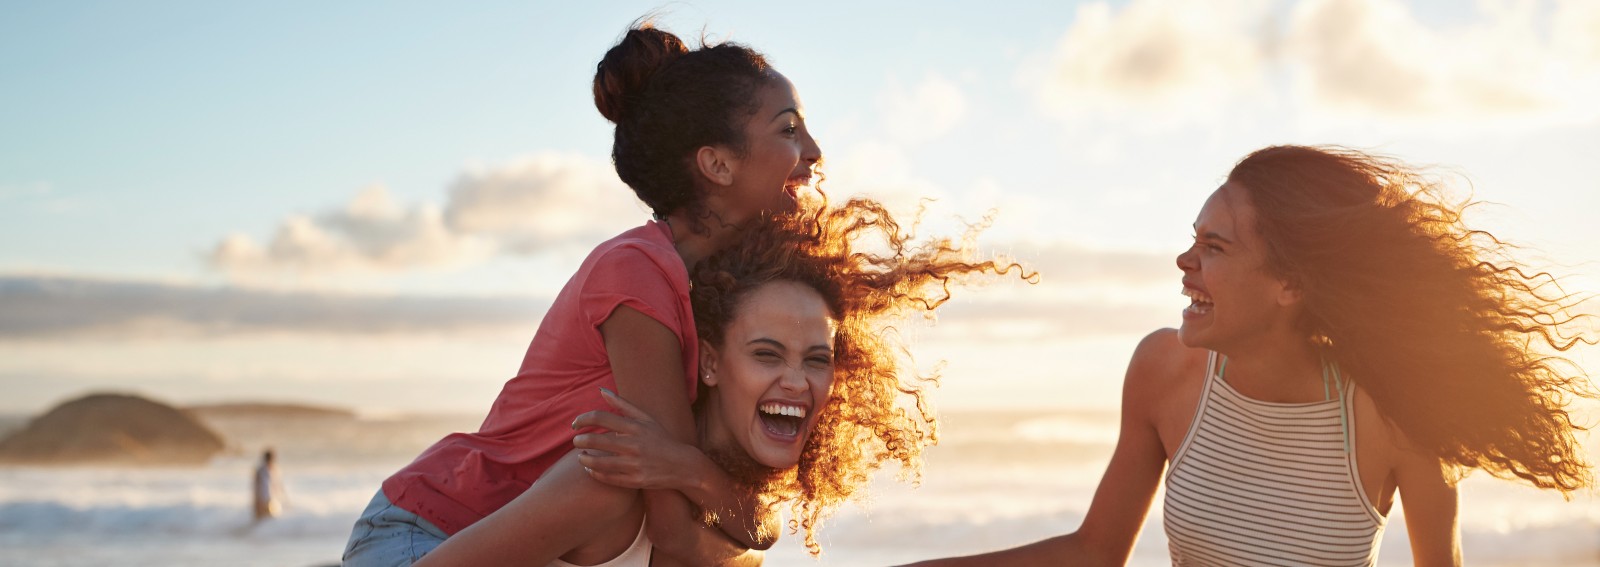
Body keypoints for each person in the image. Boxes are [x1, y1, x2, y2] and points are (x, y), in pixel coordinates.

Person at [904, 145, 1596, 567]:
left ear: (1291, 284)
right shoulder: (1163, 371)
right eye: (1192, 239)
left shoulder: (1391, 411)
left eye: (1215, 248)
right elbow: (1093, 553)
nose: (1183, 263)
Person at [341, 20, 822, 567]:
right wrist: (712, 501)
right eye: (788, 130)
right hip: (422, 536)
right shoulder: (637, 272)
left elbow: (756, 519)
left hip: (553, 546)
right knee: (609, 475)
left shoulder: (740, 292)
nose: (813, 151)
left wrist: (689, 472)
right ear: (716, 163)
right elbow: (680, 536)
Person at [420, 198, 1032, 566]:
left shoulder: (731, 508)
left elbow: (748, 531)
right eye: (767, 354)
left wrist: (690, 472)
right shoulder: (613, 468)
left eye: (816, 359)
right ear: (710, 362)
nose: (796, 380)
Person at [253, 448, 284, 522]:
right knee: (262, 520)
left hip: (273, 499)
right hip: (263, 499)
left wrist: (283, 499)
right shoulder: (261, 470)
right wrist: (256, 501)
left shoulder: (276, 470)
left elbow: (279, 485)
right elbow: (256, 486)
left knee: (272, 520)